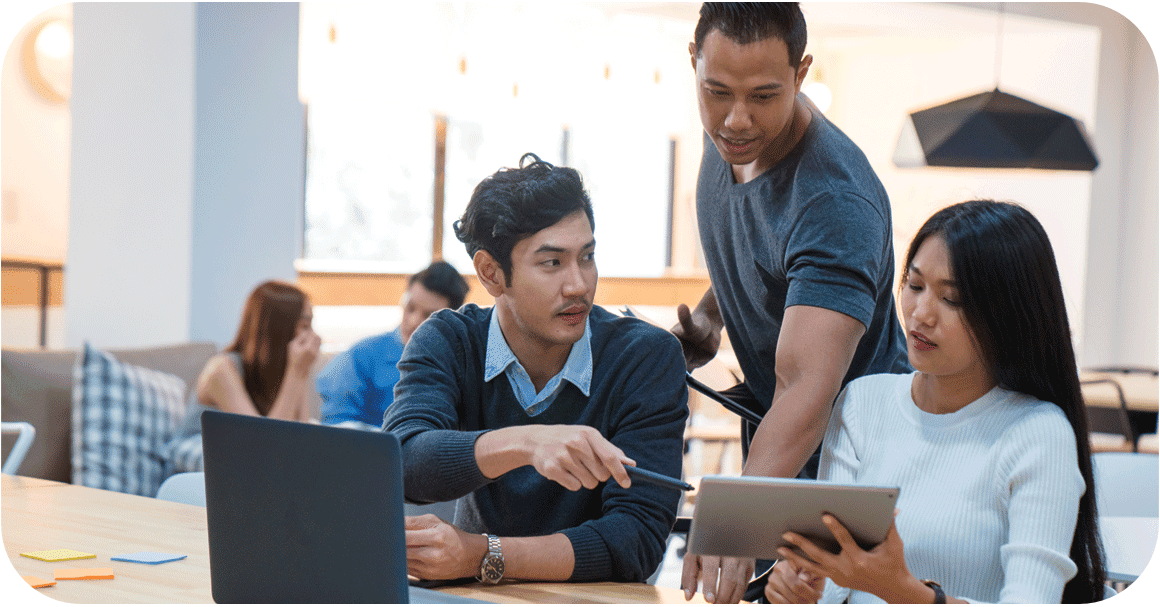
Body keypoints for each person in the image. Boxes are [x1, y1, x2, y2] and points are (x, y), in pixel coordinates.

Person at [676, 3, 909, 602]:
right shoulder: (727, 139)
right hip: (785, 455)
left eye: (763, 95)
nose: (736, 118)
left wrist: (733, 517)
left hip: (852, 471)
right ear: (695, 66)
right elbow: (770, 259)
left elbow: (808, 385)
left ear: (802, 75)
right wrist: (710, 317)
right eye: (717, 91)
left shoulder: (835, 200)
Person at [764, 200, 1107, 604]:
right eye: (914, 285)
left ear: (1009, 314)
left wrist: (906, 593)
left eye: (952, 299)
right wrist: (804, 586)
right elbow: (836, 576)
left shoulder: (1037, 433)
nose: (920, 314)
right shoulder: (863, 403)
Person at [383, 153, 689, 584]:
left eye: (587, 256)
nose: (579, 284)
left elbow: (635, 540)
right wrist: (527, 443)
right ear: (491, 273)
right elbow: (405, 462)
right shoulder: (449, 341)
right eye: (552, 262)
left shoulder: (645, 357)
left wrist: (479, 555)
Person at [166, 280, 321, 473]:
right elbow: (266, 446)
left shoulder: (285, 373)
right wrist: (296, 373)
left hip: (249, 460)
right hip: (192, 466)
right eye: (305, 326)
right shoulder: (221, 370)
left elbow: (301, 443)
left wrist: (301, 374)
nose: (313, 336)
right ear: (279, 329)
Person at [316, 261, 470, 429]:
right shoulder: (362, 357)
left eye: (428, 316)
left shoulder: (465, 365)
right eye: (410, 308)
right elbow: (337, 428)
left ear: (452, 320)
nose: (413, 321)